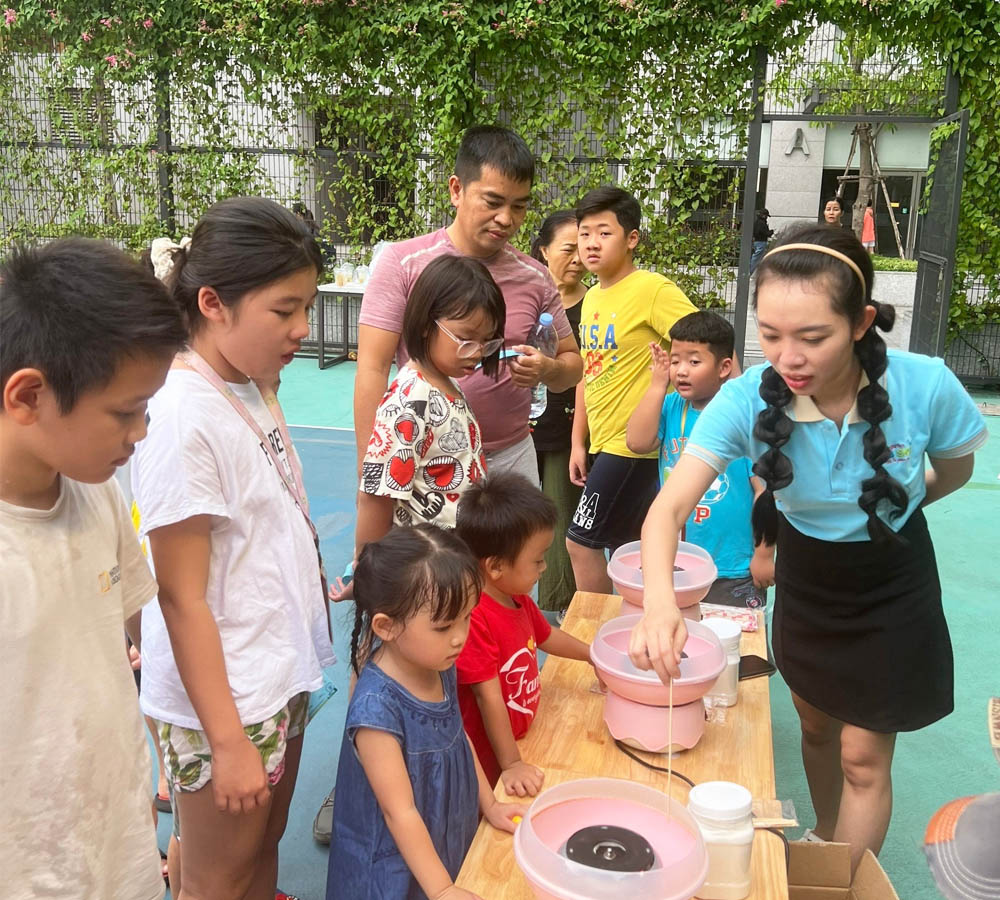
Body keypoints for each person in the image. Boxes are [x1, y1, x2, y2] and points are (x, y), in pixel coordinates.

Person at [629, 224, 988, 873]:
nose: (788, 357)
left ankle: (839, 879)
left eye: (813, 337)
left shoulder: (925, 385)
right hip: (808, 573)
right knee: (817, 726)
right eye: (771, 335)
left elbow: (955, 469)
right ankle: (825, 837)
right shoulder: (746, 398)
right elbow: (668, 510)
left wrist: (893, 507)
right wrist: (659, 603)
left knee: (862, 755)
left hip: (893, 575)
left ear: (861, 322)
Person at [131, 197, 336, 900]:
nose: (303, 328)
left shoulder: (247, 384)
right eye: (284, 310)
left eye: (306, 307)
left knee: (260, 853)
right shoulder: (181, 415)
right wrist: (224, 740)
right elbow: (179, 596)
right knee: (217, 879)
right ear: (213, 303)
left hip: (274, 672)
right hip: (226, 701)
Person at [0, 238, 187, 900]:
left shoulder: (96, 490)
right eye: (124, 412)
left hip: (117, 842)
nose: (140, 433)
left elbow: (131, 629)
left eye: (146, 409)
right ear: (28, 396)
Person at [353, 125, 583, 490]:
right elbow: (372, 368)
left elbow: (573, 365)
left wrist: (548, 369)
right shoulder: (403, 264)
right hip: (427, 457)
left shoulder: (535, 277)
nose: (506, 218)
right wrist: (371, 469)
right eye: (493, 202)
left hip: (512, 458)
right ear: (456, 190)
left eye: (519, 206)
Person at [327, 525, 525, 900]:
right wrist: (442, 888)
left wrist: (491, 804)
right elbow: (399, 813)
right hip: (391, 865)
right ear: (386, 626)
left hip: (440, 836)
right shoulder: (376, 711)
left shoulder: (437, 663)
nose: (460, 637)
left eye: (467, 617)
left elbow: (458, 736)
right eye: (444, 626)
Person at [567, 185, 698, 593]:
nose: (591, 243)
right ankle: (630, 622)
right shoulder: (592, 298)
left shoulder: (652, 290)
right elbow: (588, 371)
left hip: (634, 447)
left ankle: (592, 626)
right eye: (585, 233)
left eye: (604, 233)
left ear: (632, 238)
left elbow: (705, 343)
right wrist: (578, 442)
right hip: (602, 443)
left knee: (580, 542)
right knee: (625, 549)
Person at [454, 472, 592, 794]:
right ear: (496, 566)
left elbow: (546, 636)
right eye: (538, 560)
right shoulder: (475, 618)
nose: (544, 568)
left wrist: (591, 655)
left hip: (522, 740)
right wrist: (511, 764)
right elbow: (487, 696)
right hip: (491, 758)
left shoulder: (515, 597)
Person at [626, 311, 775, 607]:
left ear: (724, 367)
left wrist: (763, 554)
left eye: (694, 362)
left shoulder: (741, 417)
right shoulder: (671, 407)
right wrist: (657, 385)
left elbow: (764, 491)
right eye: (675, 361)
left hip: (732, 568)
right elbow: (637, 442)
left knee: (737, 634)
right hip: (678, 562)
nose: (681, 371)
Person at [356, 254, 503, 550]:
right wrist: (365, 563)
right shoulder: (410, 400)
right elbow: (377, 494)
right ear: (426, 324)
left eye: (487, 342)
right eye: (466, 338)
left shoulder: (448, 385)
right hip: (425, 562)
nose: (478, 352)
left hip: (456, 557)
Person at [528, 210, 586, 615]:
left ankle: (561, 603)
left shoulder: (594, 304)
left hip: (565, 428)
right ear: (544, 250)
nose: (578, 258)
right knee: (510, 518)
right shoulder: (525, 298)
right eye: (568, 249)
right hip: (516, 427)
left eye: (583, 249)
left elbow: (588, 372)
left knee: (562, 516)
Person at [750, 207, 773, 274]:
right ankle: (750, 271)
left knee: (758, 257)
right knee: (756, 257)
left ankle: (755, 272)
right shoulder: (761, 223)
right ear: (763, 215)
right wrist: (770, 232)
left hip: (757, 241)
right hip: (761, 241)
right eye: (766, 216)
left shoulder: (757, 222)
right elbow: (763, 232)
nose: (767, 218)